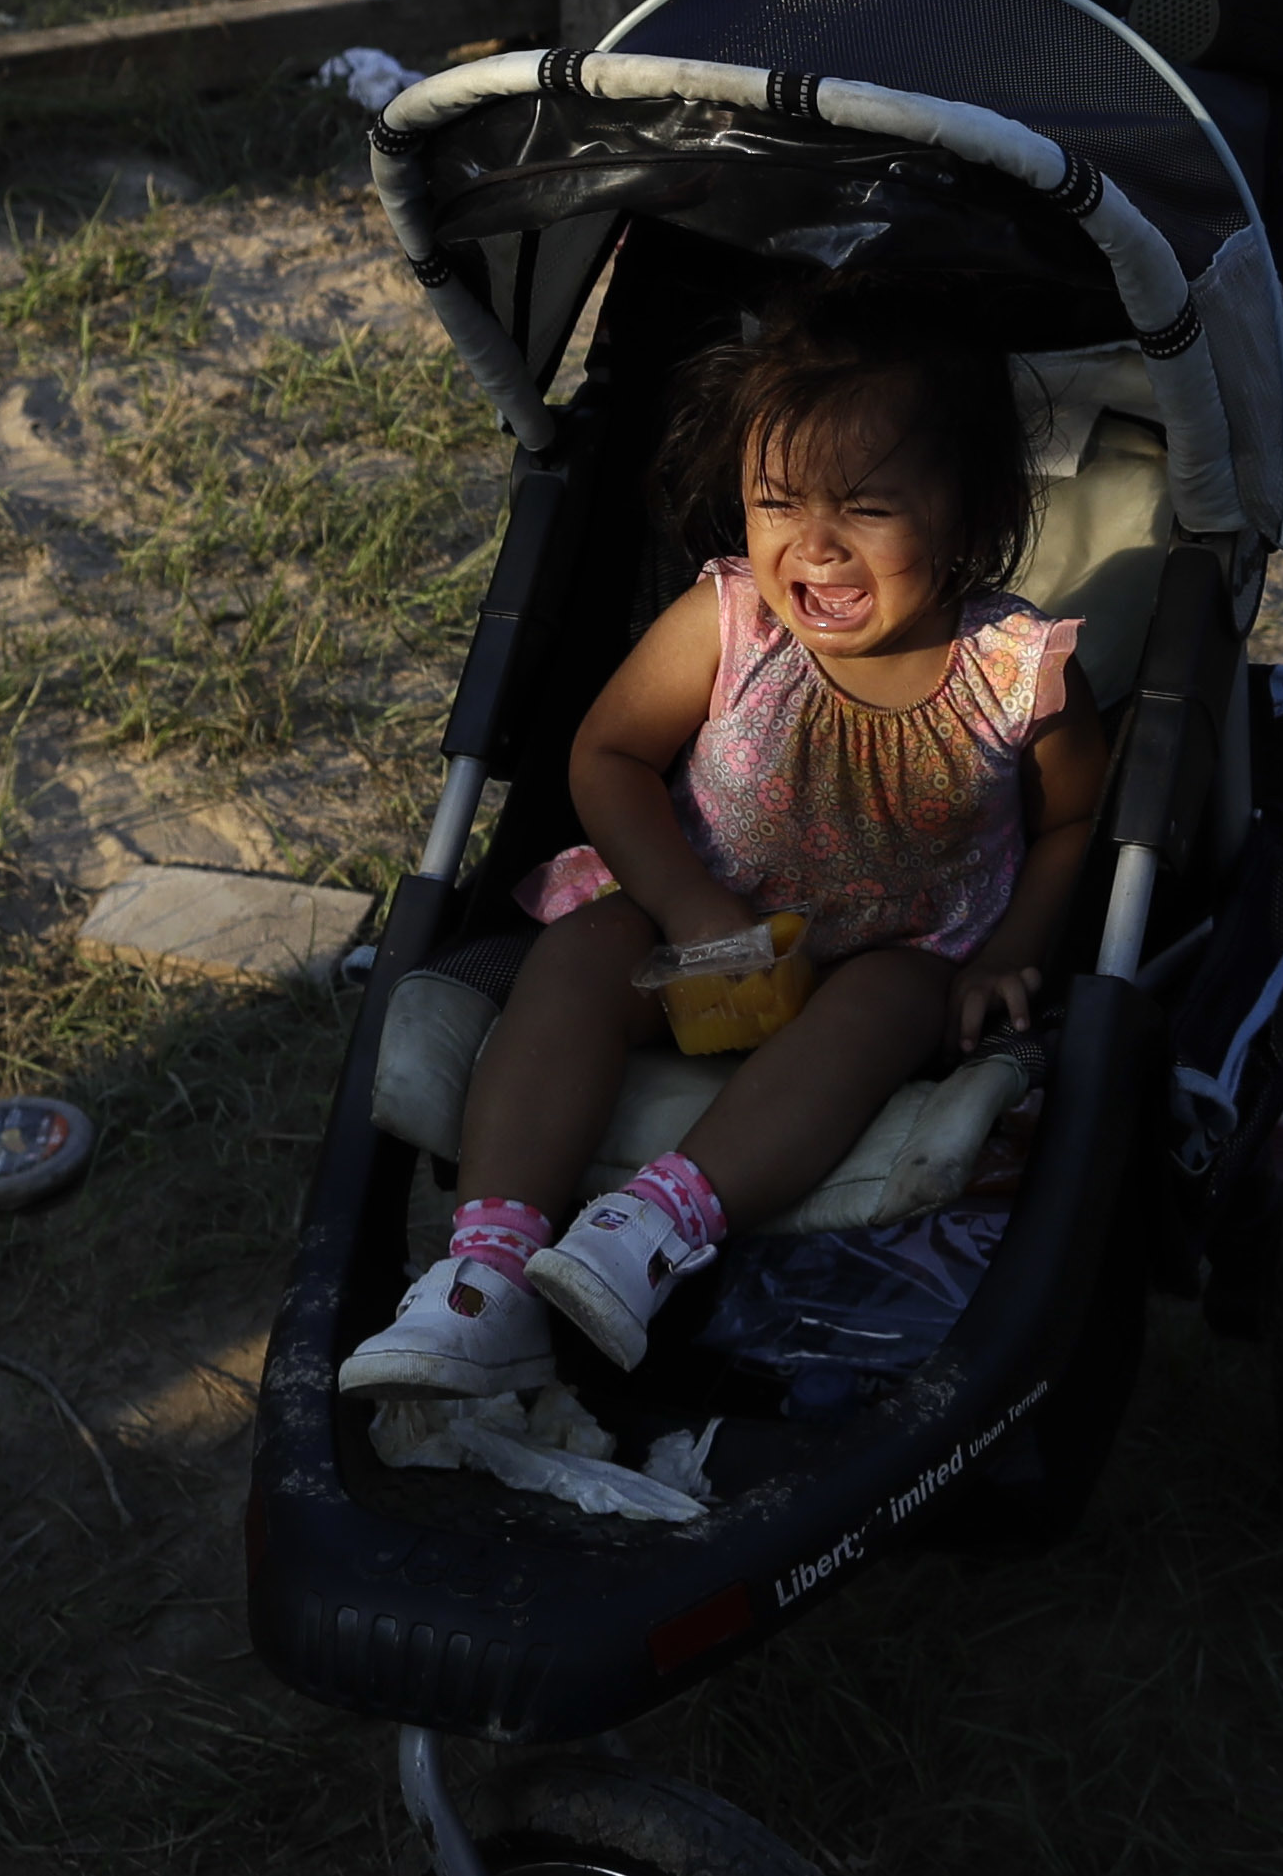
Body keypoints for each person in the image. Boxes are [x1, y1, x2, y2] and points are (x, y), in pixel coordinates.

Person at [342, 292, 1108, 1393]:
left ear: (968, 517)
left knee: (890, 998)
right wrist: (685, 898)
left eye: (867, 507)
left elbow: (1072, 820)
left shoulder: (1015, 671)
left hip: (893, 949)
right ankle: (489, 1269)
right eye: (778, 502)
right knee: (581, 955)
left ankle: (650, 1228)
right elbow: (605, 757)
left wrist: (1005, 957)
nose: (816, 544)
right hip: (701, 923)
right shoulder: (729, 619)